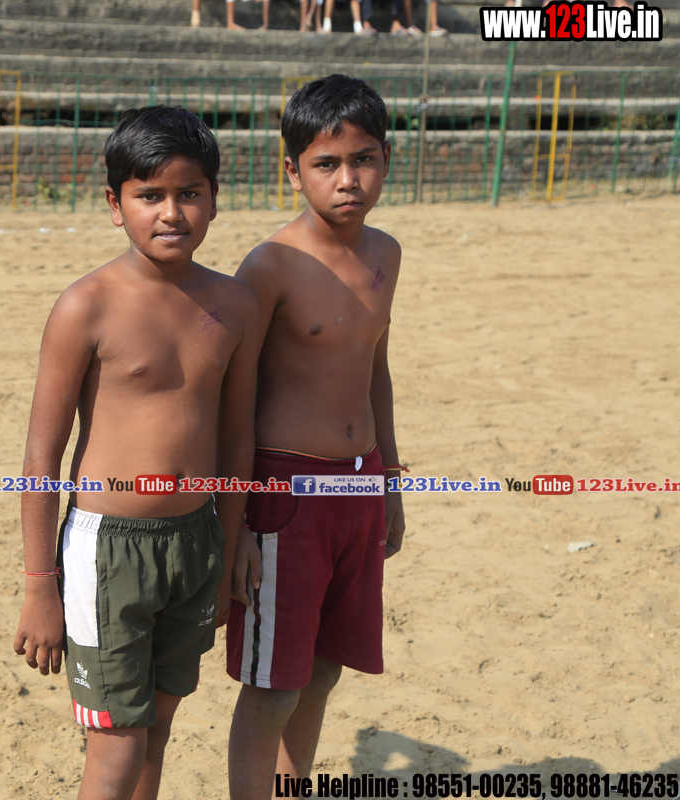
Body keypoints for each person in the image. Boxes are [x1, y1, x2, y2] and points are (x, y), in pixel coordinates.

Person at [13, 105, 259, 800]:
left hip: (197, 541)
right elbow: (42, 455)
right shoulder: (85, 306)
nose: (171, 212)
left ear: (215, 197)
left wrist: (226, 551)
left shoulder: (236, 306)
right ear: (114, 204)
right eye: (150, 195)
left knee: (158, 731)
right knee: (117, 750)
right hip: (107, 550)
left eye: (190, 193)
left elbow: (236, 438)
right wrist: (39, 584)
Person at [224, 74, 406, 799]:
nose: (347, 179)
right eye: (326, 163)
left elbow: (375, 369)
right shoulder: (270, 265)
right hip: (285, 494)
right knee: (273, 683)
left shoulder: (386, 253)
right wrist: (237, 519)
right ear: (292, 170)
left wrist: (389, 482)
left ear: (387, 159)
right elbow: (233, 398)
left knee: (325, 668)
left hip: (359, 484)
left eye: (363, 159)